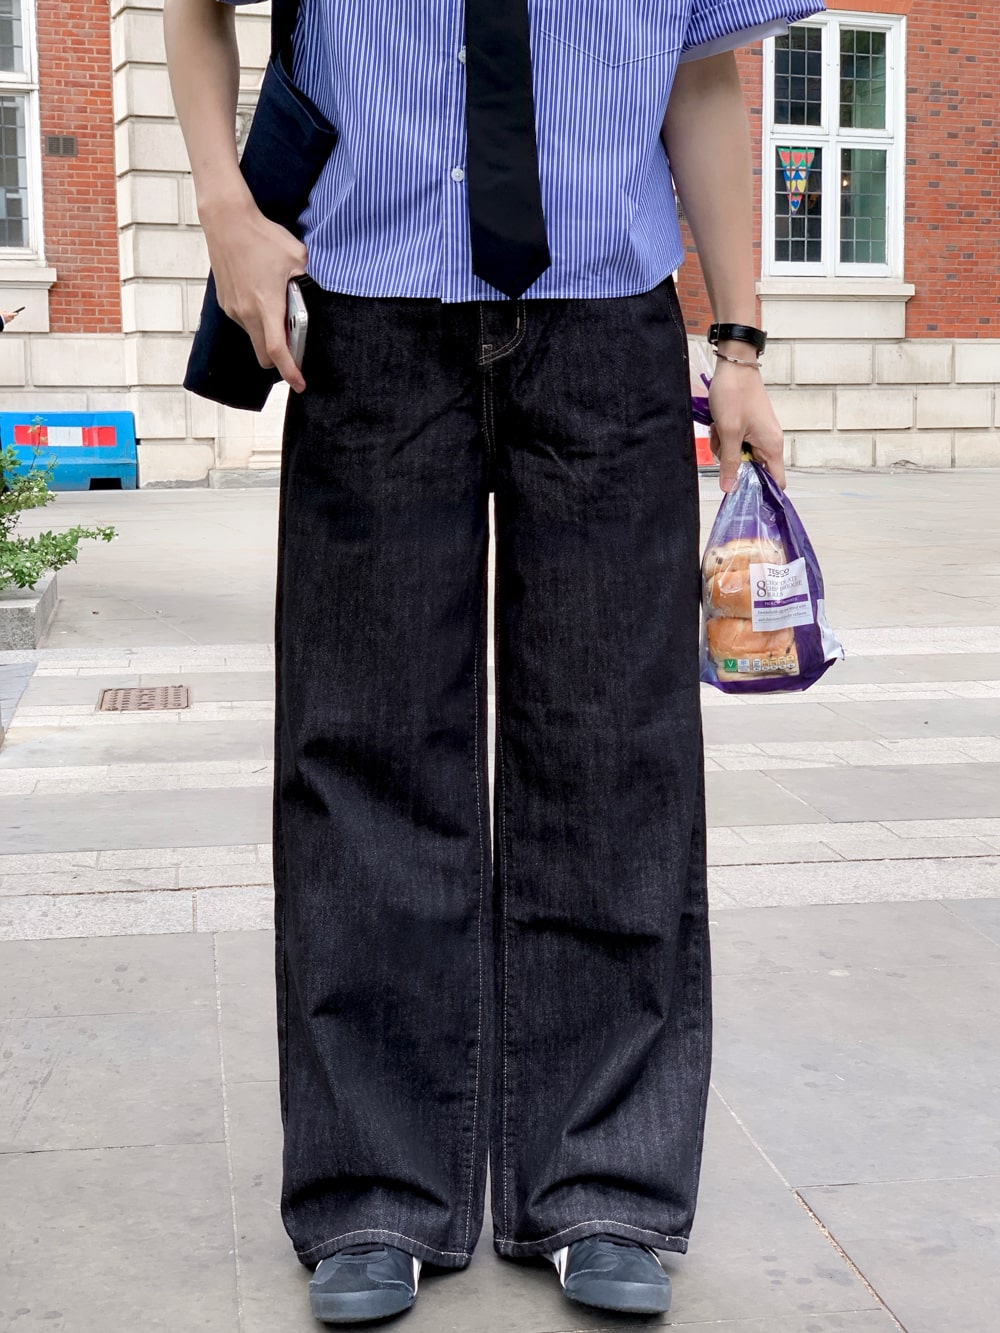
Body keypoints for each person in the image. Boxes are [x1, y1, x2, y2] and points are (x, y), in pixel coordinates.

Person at [165, 0, 824, 1323]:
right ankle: (373, 1187)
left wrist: (739, 342)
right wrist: (226, 212)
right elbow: (193, 9)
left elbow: (701, 78)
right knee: (364, 754)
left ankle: (603, 1179)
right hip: (371, 326)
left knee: (614, 754)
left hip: (606, 332)